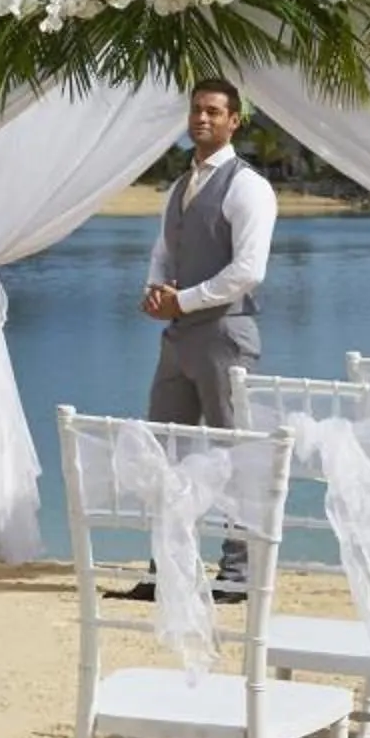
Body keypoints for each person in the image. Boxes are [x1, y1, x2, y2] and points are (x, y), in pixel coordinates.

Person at [129, 76, 276, 600]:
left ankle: (237, 573)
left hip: (225, 334)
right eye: (196, 110)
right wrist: (154, 293)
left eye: (214, 111)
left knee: (234, 452)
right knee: (165, 450)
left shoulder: (248, 186)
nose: (203, 119)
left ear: (234, 120)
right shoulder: (179, 186)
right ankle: (165, 568)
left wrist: (182, 300)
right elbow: (164, 253)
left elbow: (248, 271)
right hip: (177, 337)